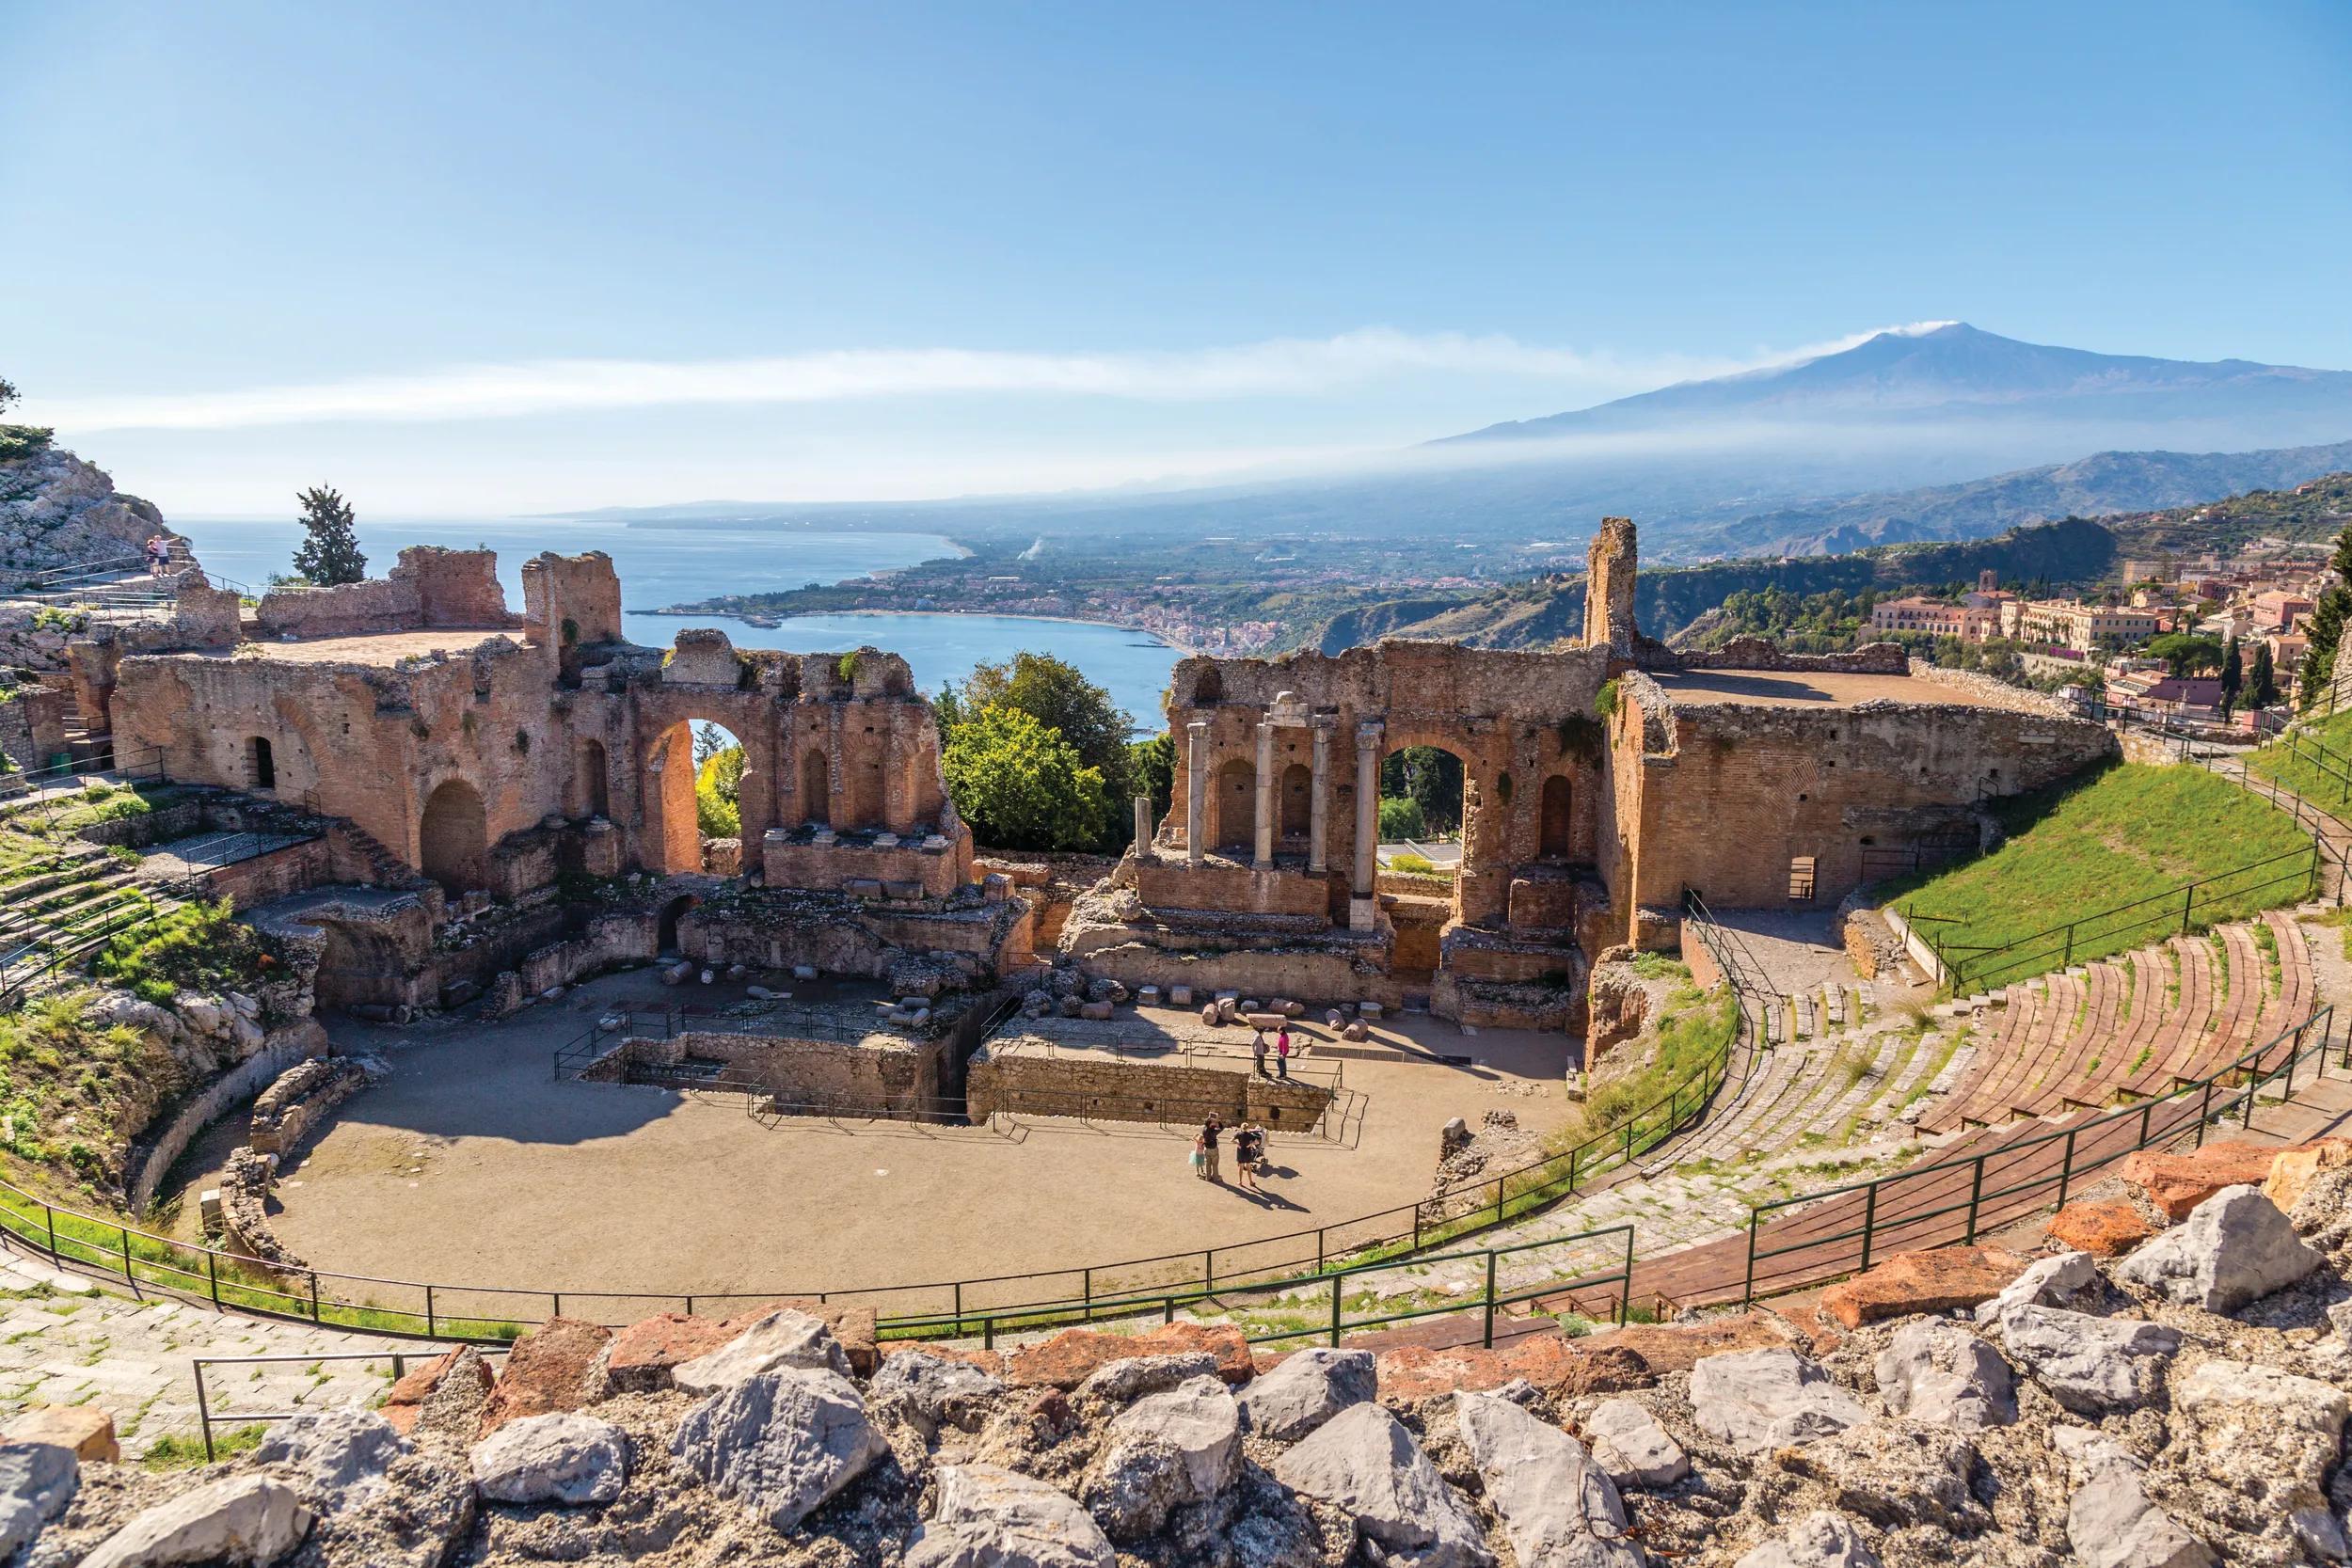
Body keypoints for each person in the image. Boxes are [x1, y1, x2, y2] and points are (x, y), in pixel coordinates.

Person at [1235, 1123, 1265, 1192]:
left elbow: (1231, 1140)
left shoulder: (1239, 1134)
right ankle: (1251, 1182)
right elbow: (1257, 1142)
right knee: (1248, 1168)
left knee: (1241, 1168)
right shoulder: (1250, 1135)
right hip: (1248, 1153)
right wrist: (1250, 1144)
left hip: (1240, 1153)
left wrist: (1237, 1144)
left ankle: (1240, 1182)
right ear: (1247, 1128)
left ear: (1241, 1128)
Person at [1200, 1115, 1223, 1182]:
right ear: (1210, 1124)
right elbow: (1221, 1128)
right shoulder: (1213, 1132)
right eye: (1212, 1122)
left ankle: (1208, 1177)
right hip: (1213, 1149)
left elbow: (1208, 1124)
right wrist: (1218, 1121)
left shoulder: (1204, 1129)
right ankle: (1216, 1177)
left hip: (1206, 1148)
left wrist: (1210, 1118)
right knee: (1215, 1164)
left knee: (1208, 1164)